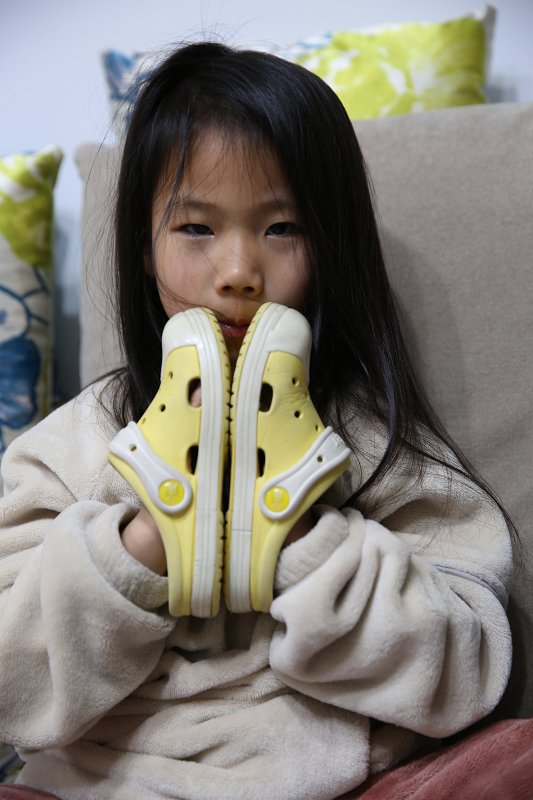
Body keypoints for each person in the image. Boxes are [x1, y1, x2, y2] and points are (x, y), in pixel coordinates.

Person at [0, 42, 514, 799]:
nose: (239, 270)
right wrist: (148, 534)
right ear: (145, 248)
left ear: (329, 246)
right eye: (195, 229)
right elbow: (13, 686)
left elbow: (465, 672)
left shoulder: (377, 446)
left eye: (282, 228)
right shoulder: (73, 444)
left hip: (329, 777)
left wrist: (297, 525)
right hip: (100, 782)